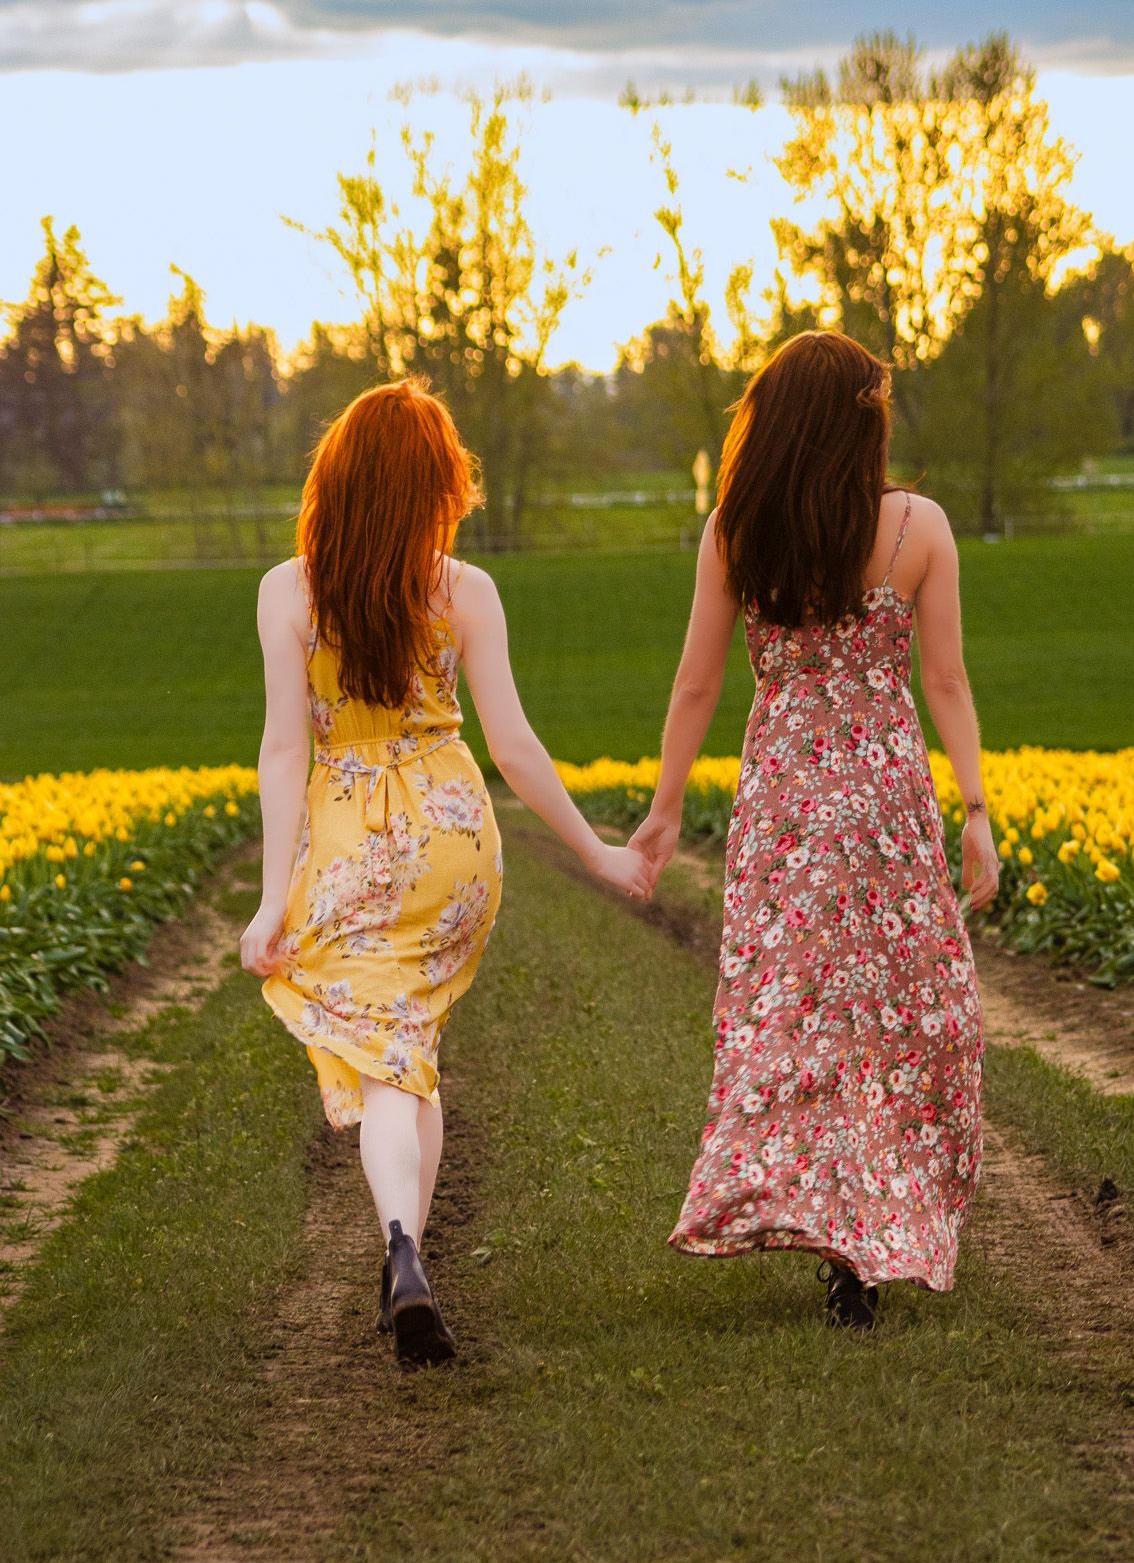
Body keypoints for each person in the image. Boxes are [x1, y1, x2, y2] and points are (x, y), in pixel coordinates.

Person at [240, 380, 650, 1367]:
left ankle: (402, 1244)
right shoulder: (464, 590)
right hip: (454, 842)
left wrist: (268, 899)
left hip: (349, 842)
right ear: (435, 483)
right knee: (409, 1047)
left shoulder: (288, 591)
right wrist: (594, 847)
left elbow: (285, 751)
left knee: (387, 1052)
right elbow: (511, 743)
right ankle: (407, 1270)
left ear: (336, 477)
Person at [631, 331, 996, 1329]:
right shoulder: (918, 526)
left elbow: (697, 680)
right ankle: (874, 1231)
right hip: (879, 797)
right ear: (862, 421)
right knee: (899, 1012)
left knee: (798, 1016)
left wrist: (665, 810)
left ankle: (835, 1229)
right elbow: (948, 680)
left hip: (787, 794)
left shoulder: (737, 527)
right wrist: (974, 808)